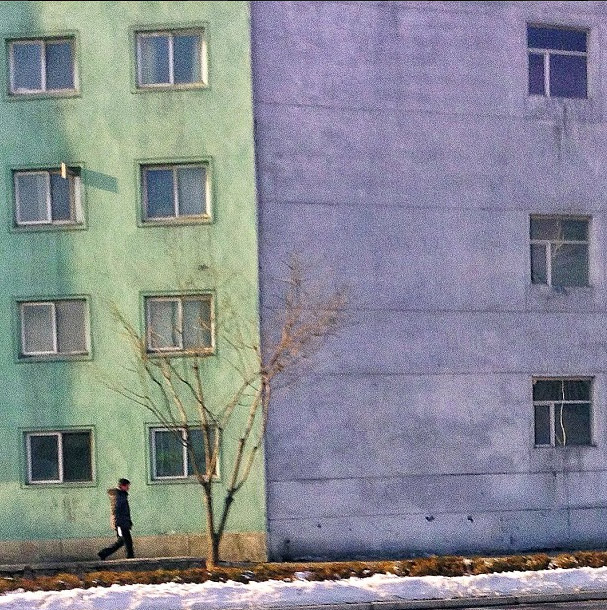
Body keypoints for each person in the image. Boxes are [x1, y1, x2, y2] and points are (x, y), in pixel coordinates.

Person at [97, 478, 135, 559]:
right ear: (122, 486)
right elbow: (116, 511)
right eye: (127, 486)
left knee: (125, 541)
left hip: (123, 523)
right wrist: (118, 524)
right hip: (120, 524)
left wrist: (128, 521)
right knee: (123, 540)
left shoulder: (121, 495)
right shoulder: (119, 496)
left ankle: (130, 557)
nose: (128, 488)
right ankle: (104, 553)